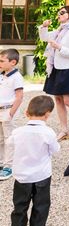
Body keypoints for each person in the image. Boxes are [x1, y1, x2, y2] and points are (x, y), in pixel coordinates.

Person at [7, 95, 59, 226]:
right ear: (47, 115)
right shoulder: (48, 133)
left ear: (26, 113)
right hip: (42, 176)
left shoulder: (18, 132)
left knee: (19, 208)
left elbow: (9, 143)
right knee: (41, 208)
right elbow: (55, 150)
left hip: (22, 177)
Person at [39, 5, 69, 141]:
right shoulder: (59, 30)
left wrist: (59, 47)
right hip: (56, 68)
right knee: (58, 99)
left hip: (68, 68)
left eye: (62, 12)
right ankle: (64, 130)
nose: (59, 14)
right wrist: (44, 27)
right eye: (58, 12)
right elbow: (45, 38)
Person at [0, 48, 24, 180]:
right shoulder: (2, 75)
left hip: (8, 111)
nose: (0, 63)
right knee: (0, 138)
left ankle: (8, 166)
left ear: (13, 62)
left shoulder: (16, 77)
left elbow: (19, 97)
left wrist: (11, 113)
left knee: (9, 139)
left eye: (2, 61)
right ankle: (1, 162)